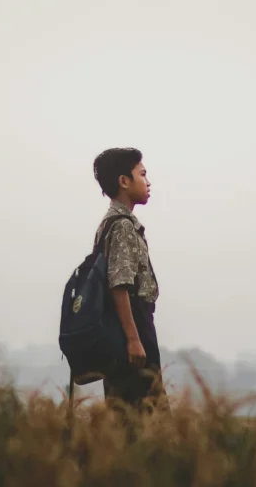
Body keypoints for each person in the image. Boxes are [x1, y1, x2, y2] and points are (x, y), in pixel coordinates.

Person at [91, 147, 166, 414]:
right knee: (146, 414)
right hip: (133, 325)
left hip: (124, 327)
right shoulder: (122, 225)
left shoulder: (111, 222)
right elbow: (119, 284)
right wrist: (134, 339)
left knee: (126, 414)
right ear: (124, 181)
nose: (148, 182)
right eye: (142, 174)